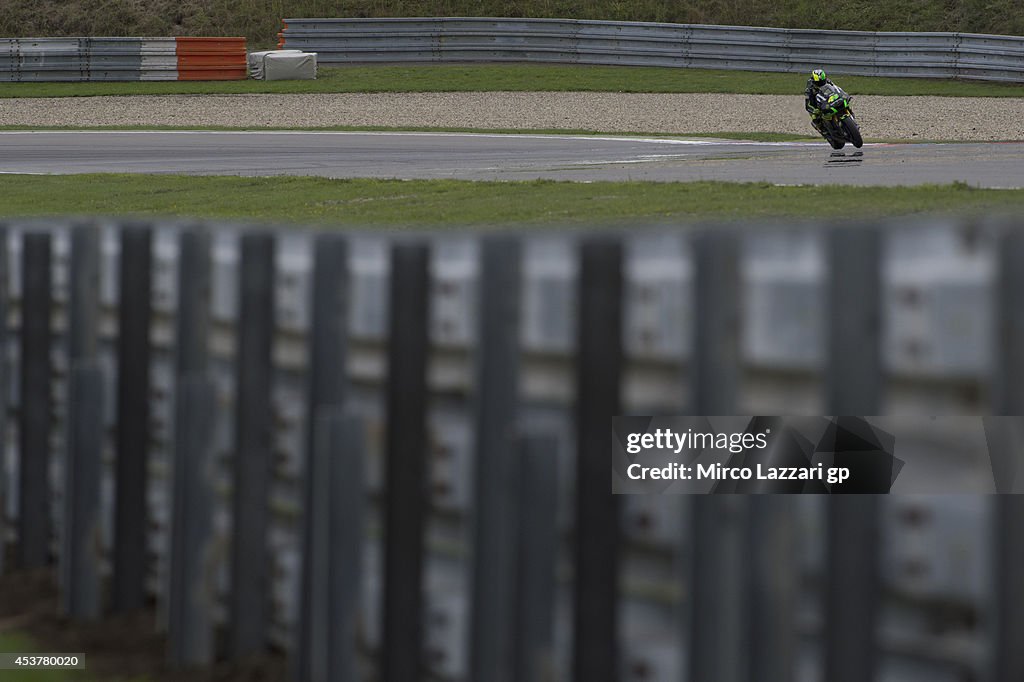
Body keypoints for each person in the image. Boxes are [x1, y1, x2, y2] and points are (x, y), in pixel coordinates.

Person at [805, 68, 834, 137]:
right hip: (816, 102)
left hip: (827, 98)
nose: (821, 84)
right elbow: (807, 104)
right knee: (815, 116)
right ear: (813, 81)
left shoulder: (827, 81)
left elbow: (835, 88)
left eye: (822, 82)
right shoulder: (809, 88)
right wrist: (814, 110)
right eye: (819, 83)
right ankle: (823, 130)